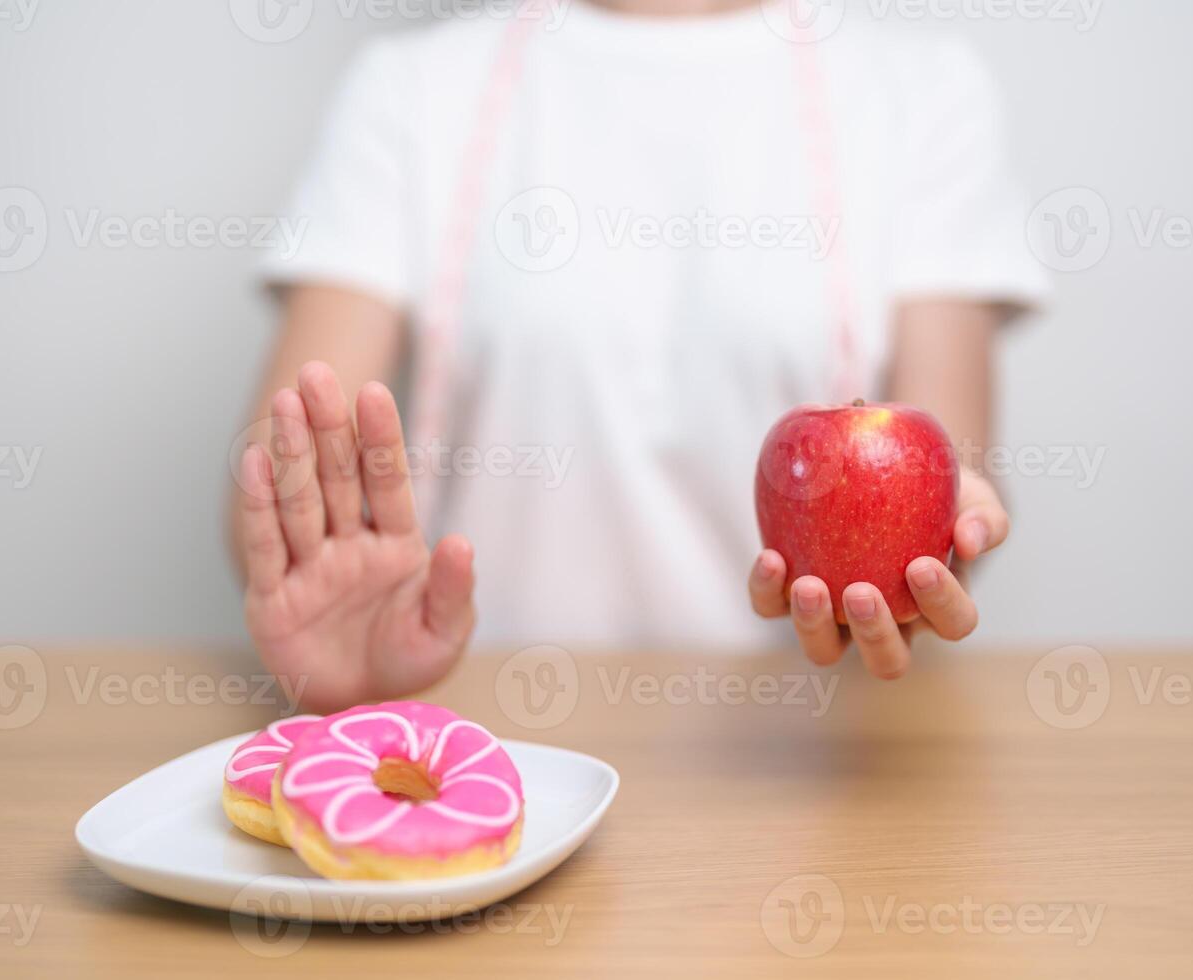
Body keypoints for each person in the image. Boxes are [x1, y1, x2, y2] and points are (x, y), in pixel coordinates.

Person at [230, 0, 1046, 711]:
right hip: (497, 737)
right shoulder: (411, 89)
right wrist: (335, 621)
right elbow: (284, 464)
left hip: (810, 757)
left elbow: (954, 465)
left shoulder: (926, 91)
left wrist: (943, 539)